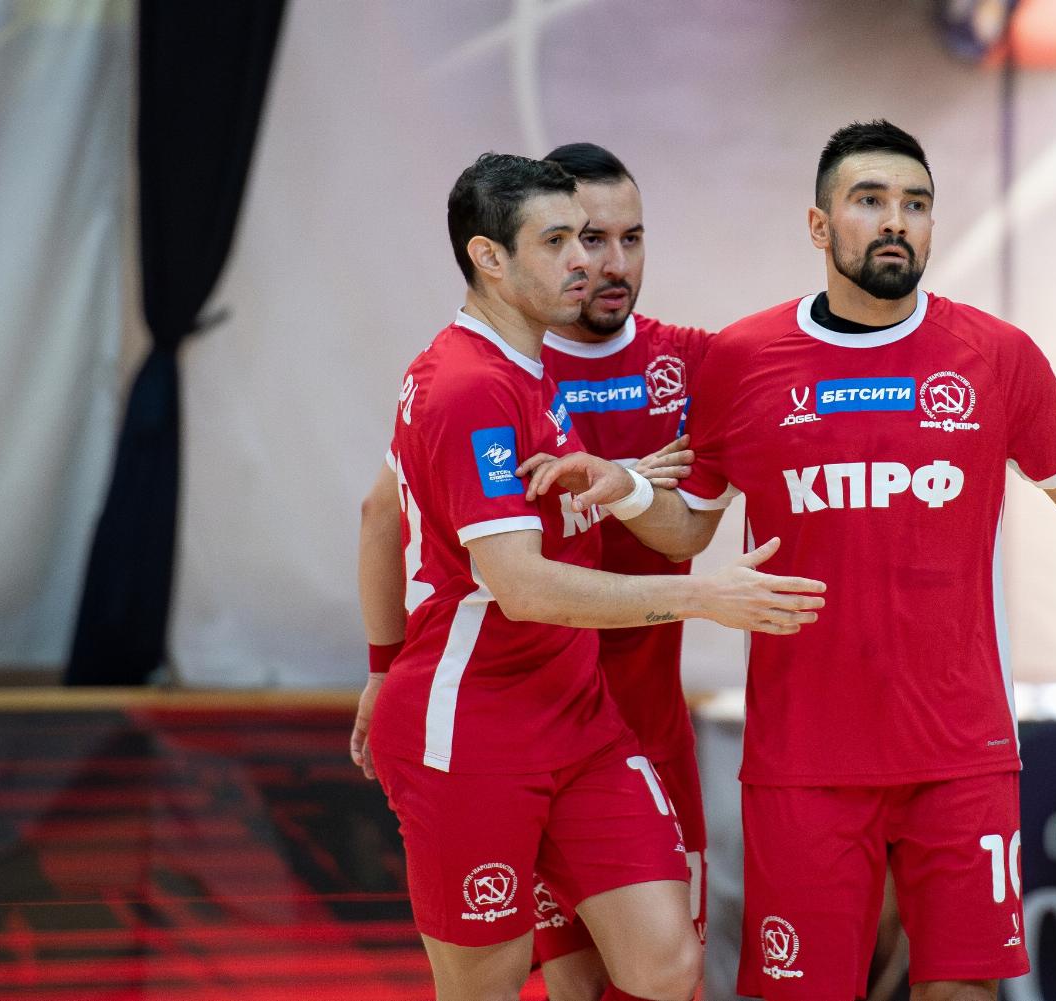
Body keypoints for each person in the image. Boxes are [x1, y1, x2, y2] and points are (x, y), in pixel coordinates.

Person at [525, 120, 1056, 1001]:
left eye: (915, 204)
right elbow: (688, 534)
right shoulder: (744, 360)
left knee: (965, 990)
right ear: (819, 224)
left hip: (961, 752)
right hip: (803, 760)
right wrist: (627, 489)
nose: (894, 221)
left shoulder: (996, 356)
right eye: (869, 200)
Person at [349, 152, 826, 1001]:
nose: (588, 261)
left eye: (606, 237)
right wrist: (704, 595)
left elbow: (382, 511)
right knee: (489, 986)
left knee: (667, 961)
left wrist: (624, 484)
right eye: (561, 241)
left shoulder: (530, 369)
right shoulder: (469, 386)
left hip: (579, 719)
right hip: (476, 728)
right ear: (490, 258)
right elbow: (522, 585)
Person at [526, 141, 714, 1001]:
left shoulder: (692, 362)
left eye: (631, 239)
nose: (614, 264)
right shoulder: (502, 370)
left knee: (668, 982)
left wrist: (619, 485)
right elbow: (386, 512)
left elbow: (682, 540)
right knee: (572, 986)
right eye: (590, 240)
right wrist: (384, 668)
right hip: (537, 738)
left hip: (653, 732)